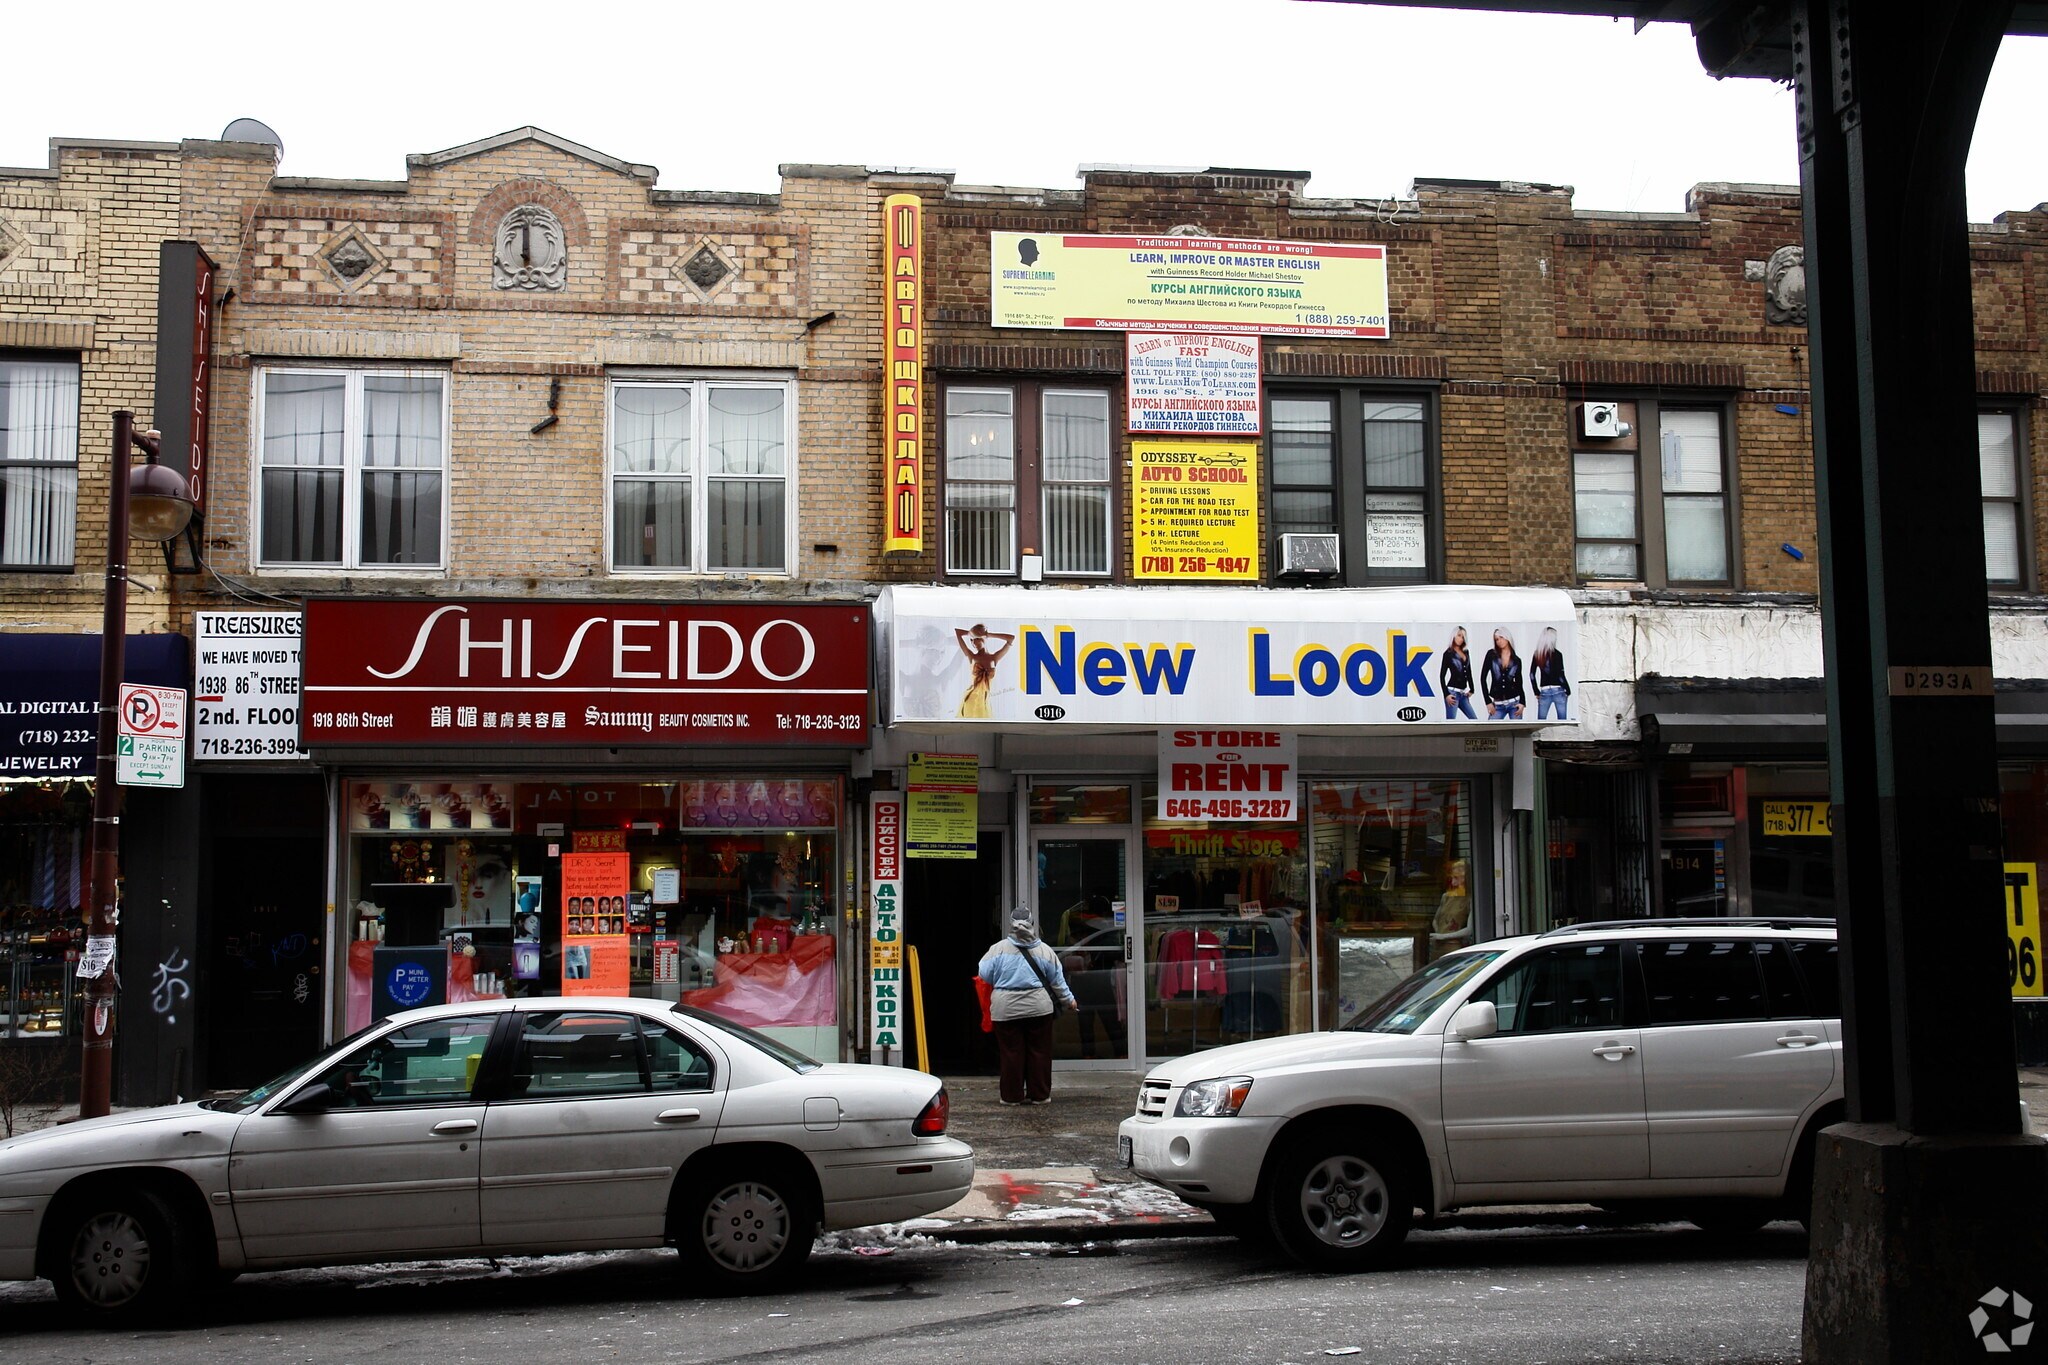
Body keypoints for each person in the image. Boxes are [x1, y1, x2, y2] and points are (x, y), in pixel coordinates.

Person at [977, 907, 1075, 1104]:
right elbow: (1057, 981)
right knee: (1039, 1052)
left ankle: (1011, 1097)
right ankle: (1039, 1095)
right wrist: (1069, 1000)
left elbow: (983, 974)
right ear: (1032, 924)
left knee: (1011, 1054)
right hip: (1038, 1008)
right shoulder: (1044, 950)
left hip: (1005, 1010)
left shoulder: (997, 950)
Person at [954, 624, 1016, 719]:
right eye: (971, 640)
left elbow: (1011, 638)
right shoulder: (972, 657)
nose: (973, 642)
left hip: (984, 701)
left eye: (976, 639)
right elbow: (958, 632)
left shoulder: (994, 658)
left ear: (983, 638)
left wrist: (988, 634)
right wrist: (972, 633)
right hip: (971, 698)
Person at [1429, 859, 1473, 960]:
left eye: (1456, 878)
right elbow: (1436, 920)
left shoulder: (1470, 899)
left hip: (1454, 946)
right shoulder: (1446, 897)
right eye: (1452, 878)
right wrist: (1438, 934)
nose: (1453, 883)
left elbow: (1469, 930)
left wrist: (1443, 936)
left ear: (1465, 879)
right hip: (1437, 946)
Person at [1481, 628, 1526, 720]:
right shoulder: (1491, 655)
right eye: (1496, 639)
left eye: (1501, 637)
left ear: (1507, 637)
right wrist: (1488, 702)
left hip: (1514, 704)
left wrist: (1522, 702)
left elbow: (1519, 683)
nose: (1499, 641)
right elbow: (1482, 678)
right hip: (1497, 705)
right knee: (1489, 732)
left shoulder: (1517, 660)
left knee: (1517, 732)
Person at [1530, 626, 1571, 721]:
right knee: (1562, 721)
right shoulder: (1558, 654)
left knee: (1541, 721)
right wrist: (1568, 690)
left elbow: (1532, 675)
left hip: (1544, 691)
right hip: (1558, 690)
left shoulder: (1538, 654)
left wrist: (1536, 691)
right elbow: (1561, 675)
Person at [1439, 626, 1477, 720]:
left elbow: (1469, 672)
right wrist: (1446, 694)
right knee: (1451, 722)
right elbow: (1442, 676)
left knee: (1474, 719)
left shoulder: (1466, 652)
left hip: (1463, 694)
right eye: (1459, 635)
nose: (1461, 639)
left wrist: (1472, 689)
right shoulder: (1448, 653)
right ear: (1454, 636)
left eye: (1463, 637)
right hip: (1452, 692)